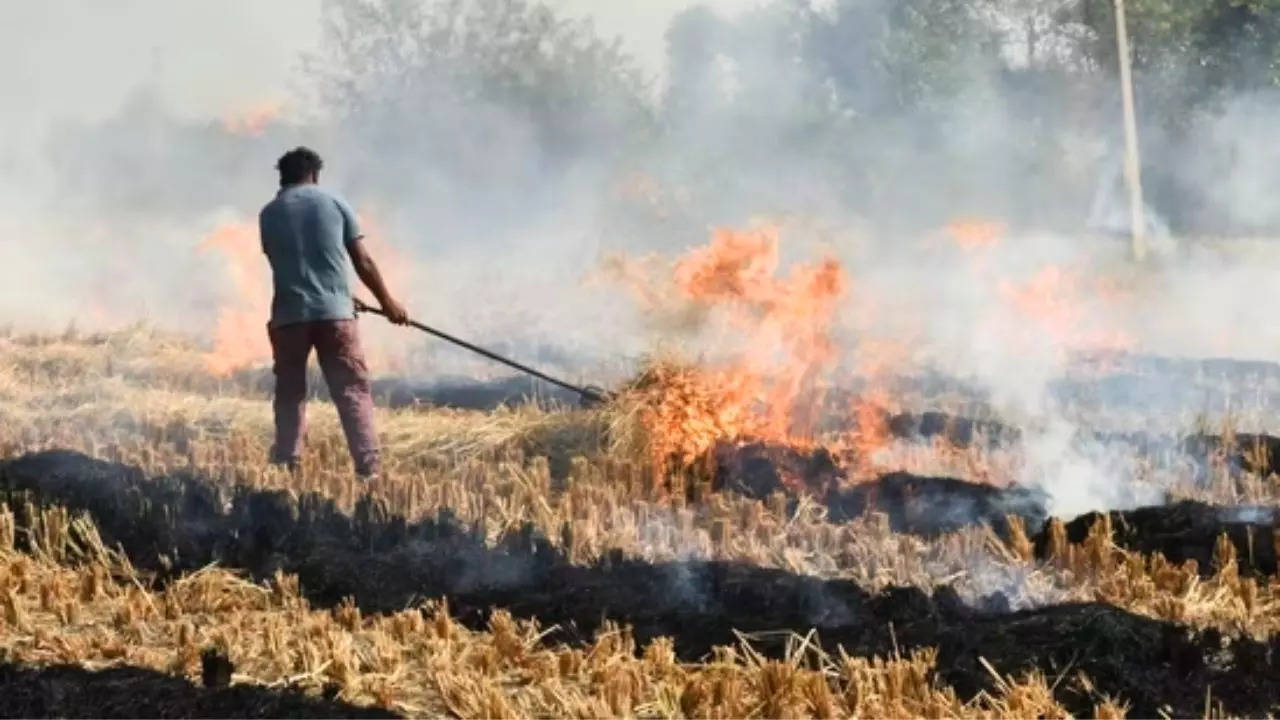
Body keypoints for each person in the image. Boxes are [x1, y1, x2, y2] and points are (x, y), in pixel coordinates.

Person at [258, 146, 408, 479]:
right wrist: (387, 303)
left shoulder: (268, 213)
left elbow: (285, 262)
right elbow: (362, 260)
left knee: (290, 392)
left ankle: (287, 462)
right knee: (351, 389)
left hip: (289, 317)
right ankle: (369, 468)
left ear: (282, 177)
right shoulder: (334, 201)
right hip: (335, 315)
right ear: (314, 174)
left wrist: (336, 293)